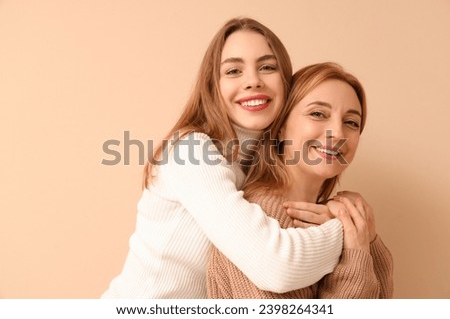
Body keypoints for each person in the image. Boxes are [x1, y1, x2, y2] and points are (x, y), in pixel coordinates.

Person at [101, 18, 345, 299]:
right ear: (213, 86)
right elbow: (275, 266)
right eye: (233, 70)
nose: (253, 81)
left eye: (267, 67)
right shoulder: (192, 152)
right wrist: (349, 232)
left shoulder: (264, 164)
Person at [207, 62, 394, 298]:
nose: (337, 133)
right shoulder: (260, 222)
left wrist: (366, 236)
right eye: (318, 114)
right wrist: (355, 251)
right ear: (281, 127)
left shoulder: (335, 219)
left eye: (351, 122)